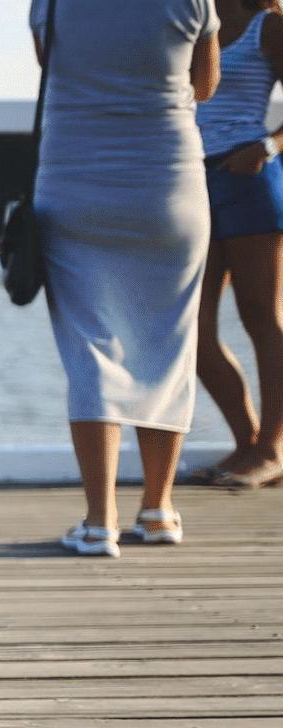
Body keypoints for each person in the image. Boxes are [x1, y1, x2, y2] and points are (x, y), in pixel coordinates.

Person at [33, 0, 220, 557]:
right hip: (169, 183)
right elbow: (204, 84)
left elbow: (53, 66)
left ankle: (98, 521)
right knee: (168, 342)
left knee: (91, 347)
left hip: (74, 182)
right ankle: (159, 509)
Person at [191, 0, 283, 490]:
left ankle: (271, 449)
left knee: (261, 317)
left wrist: (267, 147)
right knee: (193, 328)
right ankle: (247, 444)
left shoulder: (268, 25)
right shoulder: (187, 14)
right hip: (190, 181)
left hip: (250, 177)